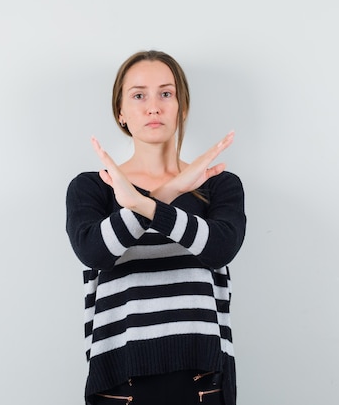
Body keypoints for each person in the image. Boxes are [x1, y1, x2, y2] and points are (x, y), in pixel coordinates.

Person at [66, 50, 246, 405]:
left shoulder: (218, 185)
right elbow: (94, 252)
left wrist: (145, 203)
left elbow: (219, 249)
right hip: (119, 376)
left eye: (166, 93)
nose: (153, 107)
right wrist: (172, 190)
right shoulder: (94, 187)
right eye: (138, 95)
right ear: (121, 111)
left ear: (181, 106)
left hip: (203, 374)